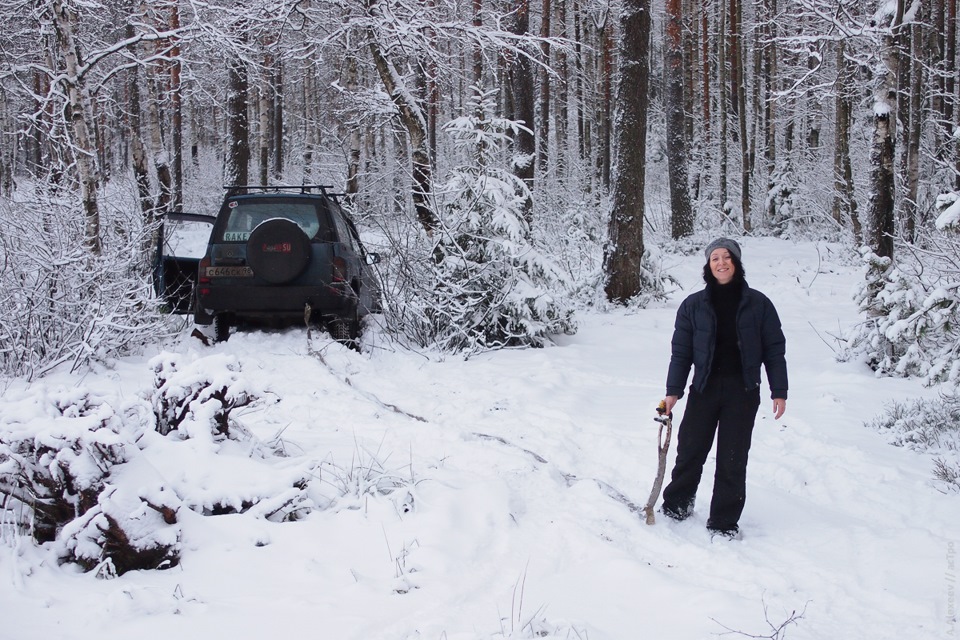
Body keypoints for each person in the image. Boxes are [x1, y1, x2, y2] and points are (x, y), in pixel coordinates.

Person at [660, 238, 787, 539]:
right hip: (704, 388)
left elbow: (774, 350)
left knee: (733, 457)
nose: (721, 262)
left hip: (742, 392)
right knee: (690, 450)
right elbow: (681, 353)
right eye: (715, 258)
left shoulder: (759, 304)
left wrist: (779, 391)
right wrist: (672, 392)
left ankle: (723, 520)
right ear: (708, 265)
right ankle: (677, 504)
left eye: (727, 257)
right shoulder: (693, 305)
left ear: (737, 263)